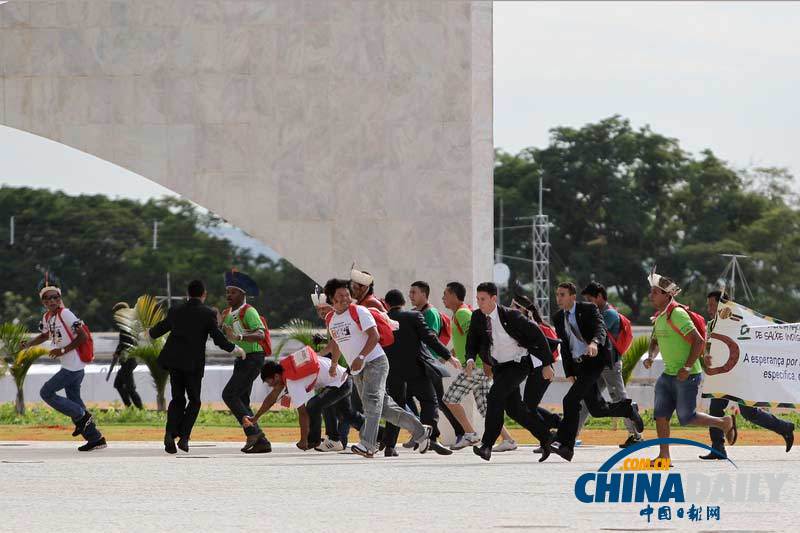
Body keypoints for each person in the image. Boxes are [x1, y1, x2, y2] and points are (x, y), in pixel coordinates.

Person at [323, 278, 432, 458]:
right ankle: (420, 431)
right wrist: (334, 365)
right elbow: (336, 342)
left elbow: (374, 336)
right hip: (357, 368)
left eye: (347, 294)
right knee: (384, 408)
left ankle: (368, 444)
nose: (345, 298)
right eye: (340, 296)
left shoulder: (359, 310)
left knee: (371, 401)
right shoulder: (331, 319)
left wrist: (361, 356)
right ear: (331, 299)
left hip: (375, 361)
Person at [642, 270, 736, 464]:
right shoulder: (660, 317)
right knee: (661, 416)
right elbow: (654, 340)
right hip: (668, 375)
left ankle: (723, 422)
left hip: (688, 375)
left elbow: (698, 341)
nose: (650, 296)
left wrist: (687, 367)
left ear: (667, 295)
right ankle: (664, 456)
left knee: (687, 418)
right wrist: (650, 357)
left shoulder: (677, 314)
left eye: (655, 292)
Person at [546, 282, 644, 462]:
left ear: (572, 297)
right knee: (596, 409)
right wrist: (569, 371)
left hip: (597, 363)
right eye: (557, 294)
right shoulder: (558, 317)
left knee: (570, 400)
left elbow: (600, 330)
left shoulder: (589, 309)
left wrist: (594, 343)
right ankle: (628, 409)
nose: (558, 298)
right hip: (579, 366)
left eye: (562, 294)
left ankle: (565, 445)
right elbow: (565, 347)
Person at [149, 280, 245, 454]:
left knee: (177, 399)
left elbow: (159, 330)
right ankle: (184, 438)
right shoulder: (207, 313)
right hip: (193, 364)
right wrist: (234, 349)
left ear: (188, 294)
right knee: (194, 401)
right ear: (203, 295)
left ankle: (170, 434)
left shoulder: (175, 310)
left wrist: (149, 332)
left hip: (174, 363)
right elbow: (217, 337)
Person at [466, 282, 556, 462]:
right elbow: (472, 341)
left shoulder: (511, 315)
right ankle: (547, 438)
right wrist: (469, 359)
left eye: (483, 299)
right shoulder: (477, 317)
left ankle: (486, 445)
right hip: (499, 367)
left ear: (493, 298)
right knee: (515, 410)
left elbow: (538, 335)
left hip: (518, 364)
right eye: (477, 299)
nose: (479, 302)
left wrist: (547, 364)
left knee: (494, 395)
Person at [699, 290, 794, 459]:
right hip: (723, 374)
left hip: (742, 375)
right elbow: (709, 347)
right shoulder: (711, 324)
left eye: (712, 305)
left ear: (724, 306)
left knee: (748, 413)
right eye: (708, 305)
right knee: (715, 408)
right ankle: (718, 448)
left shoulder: (740, 321)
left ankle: (785, 428)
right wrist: (706, 356)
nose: (708, 308)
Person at [22, 283, 108, 451]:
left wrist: (62, 350)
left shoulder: (66, 314)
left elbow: (82, 336)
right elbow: (45, 335)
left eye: (56, 297)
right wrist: (29, 344)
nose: (52, 300)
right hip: (69, 365)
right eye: (48, 298)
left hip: (74, 366)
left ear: (60, 299)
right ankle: (95, 438)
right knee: (74, 398)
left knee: (46, 392)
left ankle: (82, 415)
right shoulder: (48, 317)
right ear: (43, 302)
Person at [441, 282, 518, 452]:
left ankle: (470, 434)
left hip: (476, 367)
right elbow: (468, 339)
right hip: (477, 367)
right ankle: (508, 440)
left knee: (450, 399)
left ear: (454, 296)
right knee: (487, 408)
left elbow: (480, 337)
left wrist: (485, 363)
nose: (443, 298)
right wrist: (451, 353)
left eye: (445, 294)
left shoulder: (463, 314)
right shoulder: (459, 314)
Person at [382, 289, 459, 456]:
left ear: (387, 304)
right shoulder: (414, 316)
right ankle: (429, 438)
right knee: (429, 401)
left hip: (392, 370)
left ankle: (390, 446)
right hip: (416, 368)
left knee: (396, 406)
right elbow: (430, 338)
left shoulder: (383, 319)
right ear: (403, 302)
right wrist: (448, 356)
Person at [247, 351, 363, 452]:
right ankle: (379, 434)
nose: (270, 386)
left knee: (313, 405)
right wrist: (256, 417)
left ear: (276, 376)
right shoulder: (285, 368)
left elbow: (303, 413)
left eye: (269, 382)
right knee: (346, 414)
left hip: (341, 382)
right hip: (341, 379)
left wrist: (303, 440)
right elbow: (271, 398)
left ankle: (313, 440)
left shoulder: (292, 381)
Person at [575, 282, 642, 448]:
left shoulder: (609, 314)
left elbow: (593, 334)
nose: (588, 303)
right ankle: (570, 435)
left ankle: (637, 436)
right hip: (598, 366)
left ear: (599, 297)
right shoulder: (599, 312)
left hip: (609, 365)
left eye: (590, 299)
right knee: (586, 399)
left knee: (619, 399)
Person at [407, 281, 466, 449]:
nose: (411, 295)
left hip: (429, 364)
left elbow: (430, 337)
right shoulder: (414, 313)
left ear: (424, 294)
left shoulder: (430, 313)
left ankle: (455, 432)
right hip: (419, 363)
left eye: (414, 292)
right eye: (410, 292)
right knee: (415, 398)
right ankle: (424, 433)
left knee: (438, 401)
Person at [220, 270, 272, 454]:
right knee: (241, 399)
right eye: (227, 292)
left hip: (253, 358)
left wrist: (239, 335)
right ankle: (261, 442)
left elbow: (260, 334)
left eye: (233, 292)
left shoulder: (249, 311)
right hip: (241, 359)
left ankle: (253, 433)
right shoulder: (228, 313)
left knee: (229, 395)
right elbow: (224, 334)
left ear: (243, 294)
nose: (229, 295)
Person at [510, 294, 563, 435]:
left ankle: (552, 432)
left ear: (522, 310)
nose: (510, 309)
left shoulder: (534, 327)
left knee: (528, 407)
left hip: (542, 370)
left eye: (513, 306)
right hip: (537, 371)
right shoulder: (530, 325)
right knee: (529, 406)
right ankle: (559, 426)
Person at [109, 302, 143, 409]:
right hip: (130, 359)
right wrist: (118, 352)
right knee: (119, 384)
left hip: (129, 359)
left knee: (130, 388)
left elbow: (125, 343)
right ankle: (130, 408)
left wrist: (117, 353)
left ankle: (139, 410)